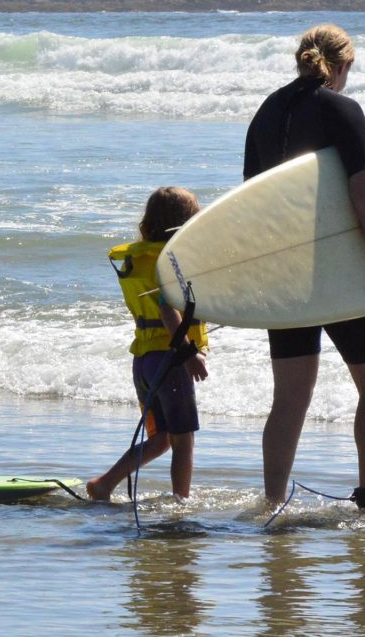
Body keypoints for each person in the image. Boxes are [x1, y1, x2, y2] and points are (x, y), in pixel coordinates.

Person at [243, 24, 365, 509]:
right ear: (344, 65)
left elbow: (250, 204)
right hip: (336, 272)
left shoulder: (266, 112)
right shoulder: (343, 110)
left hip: (283, 274)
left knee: (289, 397)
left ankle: (271, 503)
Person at [86, 187, 212, 501]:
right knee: (184, 442)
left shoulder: (141, 261)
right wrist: (188, 355)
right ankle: (182, 502)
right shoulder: (169, 263)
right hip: (170, 361)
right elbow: (168, 311)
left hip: (144, 361)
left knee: (162, 439)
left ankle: (104, 483)